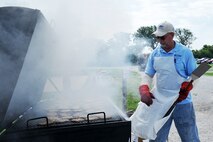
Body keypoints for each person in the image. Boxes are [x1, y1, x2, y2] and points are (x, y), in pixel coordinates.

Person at [131, 21, 200, 142]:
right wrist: (144, 88)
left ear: (172, 35)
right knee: (157, 138)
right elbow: (148, 74)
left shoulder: (185, 52)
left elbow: (197, 74)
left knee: (190, 138)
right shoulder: (155, 53)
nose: (160, 40)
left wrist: (188, 86)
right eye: (157, 37)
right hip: (160, 103)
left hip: (182, 103)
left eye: (162, 37)